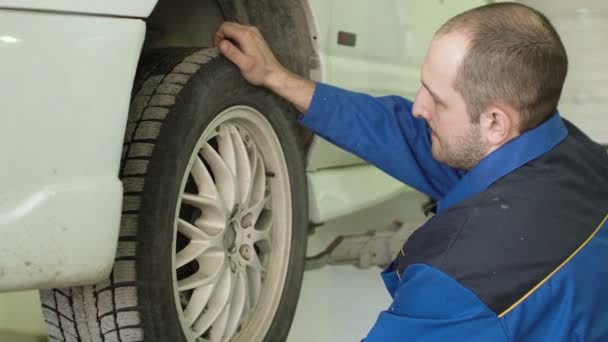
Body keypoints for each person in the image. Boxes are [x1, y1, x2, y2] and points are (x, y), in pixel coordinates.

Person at [214, 2, 608, 341]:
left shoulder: (460, 281)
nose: (419, 107)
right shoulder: (575, 155)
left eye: (436, 98)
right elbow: (401, 132)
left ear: (494, 123)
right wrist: (275, 76)